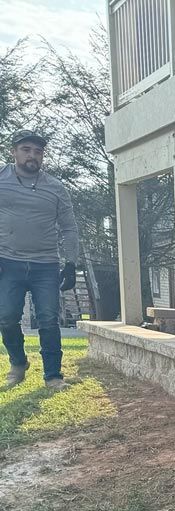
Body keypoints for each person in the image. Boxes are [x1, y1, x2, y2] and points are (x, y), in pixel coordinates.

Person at [1, 129, 80, 390]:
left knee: (48, 319)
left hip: (45, 265)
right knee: (6, 317)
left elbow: (69, 227)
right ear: (13, 152)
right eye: (26, 150)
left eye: (38, 151)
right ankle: (18, 362)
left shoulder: (55, 188)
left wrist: (70, 263)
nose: (32, 156)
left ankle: (53, 376)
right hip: (7, 262)